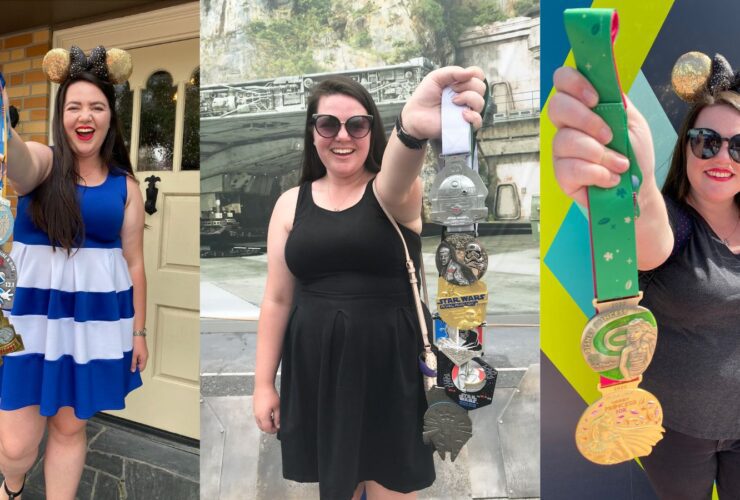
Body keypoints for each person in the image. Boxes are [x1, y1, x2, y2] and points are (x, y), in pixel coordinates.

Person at [254, 66, 485, 499]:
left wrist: (411, 129)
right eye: (328, 124)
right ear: (313, 132)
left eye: (357, 125)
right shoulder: (289, 204)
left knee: (390, 489)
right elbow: (277, 300)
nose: (343, 136)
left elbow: (398, 171)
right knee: (337, 487)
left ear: (371, 131)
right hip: (317, 368)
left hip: (390, 367)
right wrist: (264, 382)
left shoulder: (394, 192)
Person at [549, 53, 740, 498]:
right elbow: (646, 228)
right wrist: (631, 185)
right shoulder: (674, 222)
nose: (723, 156)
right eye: (706, 141)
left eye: (739, 145)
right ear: (686, 146)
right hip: (676, 433)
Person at [0, 45, 147, 500]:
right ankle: (12, 484)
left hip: (93, 325)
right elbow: (20, 168)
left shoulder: (126, 186)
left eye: (97, 106)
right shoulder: (44, 164)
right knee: (16, 446)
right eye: (74, 106)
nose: (86, 116)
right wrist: (4, 126)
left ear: (110, 117)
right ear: (61, 116)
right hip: (30, 320)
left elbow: (135, 263)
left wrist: (139, 332)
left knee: (68, 426)